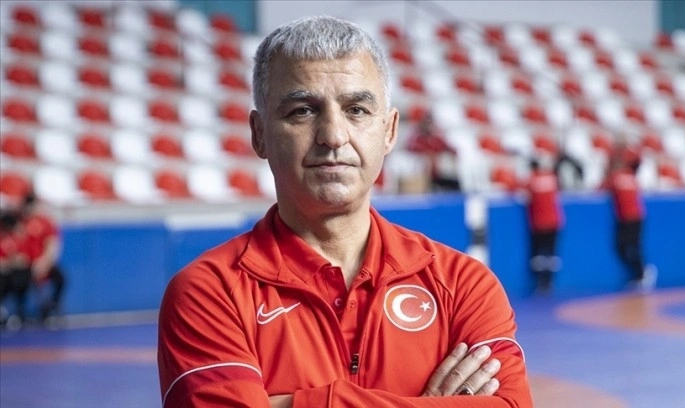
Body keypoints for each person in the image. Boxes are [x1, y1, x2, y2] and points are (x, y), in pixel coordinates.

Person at [157, 16, 532, 408]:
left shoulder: (463, 284)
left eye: (357, 110)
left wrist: (293, 403)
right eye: (302, 111)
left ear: (389, 131)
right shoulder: (209, 292)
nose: (334, 136)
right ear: (259, 133)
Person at [601, 143, 657, 292]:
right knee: (623, 247)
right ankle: (638, 272)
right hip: (628, 218)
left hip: (633, 217)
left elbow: (601, 188)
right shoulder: (622, 177)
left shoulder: (623, 176)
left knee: (632, 246)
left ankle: (641, 273)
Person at [18, 193, 66, 322]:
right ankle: (21, 312)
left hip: (43, 263)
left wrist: (44, 262)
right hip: (26, 265)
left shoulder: (45, 222)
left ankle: (52, 305)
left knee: (60, 278)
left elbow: (52, 243)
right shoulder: (20, 223)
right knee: (18, 280)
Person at [524, 158, 564, 294]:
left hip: (539, 222)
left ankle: (540, 282)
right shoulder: (552, 177)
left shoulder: (532, 179)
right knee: (551, 253)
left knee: (538, 254)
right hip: (554, 221)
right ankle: (549, 281)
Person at [405, 111, 460, 192]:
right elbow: (411, 148)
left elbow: (451, 149)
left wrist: (447, 155)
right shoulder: (417, 137)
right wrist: (427, 154)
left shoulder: (436, 138)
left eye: (430, 123)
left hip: (438, 173)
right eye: (426, 122)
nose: (428, 125)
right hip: (422, 175)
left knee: (455, 184)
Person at [0, 210, 31, 328]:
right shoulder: (3, 239)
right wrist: (11, 262)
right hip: (4, 276)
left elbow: (24, 260)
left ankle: (20, 312)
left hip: (16, 275)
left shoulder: (19, 238)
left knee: (21, 279)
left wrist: (10, 262)